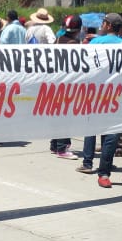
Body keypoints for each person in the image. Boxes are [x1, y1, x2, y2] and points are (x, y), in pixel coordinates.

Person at [89, 13, 122, 188]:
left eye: (103, 22)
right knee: (114, 137)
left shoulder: (96, 43)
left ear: (108, 25)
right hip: (113, 97)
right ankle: (105, 173)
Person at [50, 15, 81, 160]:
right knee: (65, 116)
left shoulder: (57, 41)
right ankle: (62, 148)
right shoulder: (73, 44)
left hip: (54, 83)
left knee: (58, 115)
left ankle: (55, 144)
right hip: (68, 84)